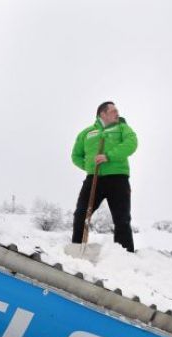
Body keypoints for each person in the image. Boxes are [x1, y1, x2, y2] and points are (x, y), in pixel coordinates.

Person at [71, 101, 137, 252]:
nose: (117, 113)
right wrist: (91, 167)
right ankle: (76, 250)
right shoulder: (86, 133)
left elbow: (132, 143)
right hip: (93, 178)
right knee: (81, 214)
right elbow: (76, 156)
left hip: (118, 178)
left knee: (122, 219)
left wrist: (108, 156)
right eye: (113, 111)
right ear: (103, 113)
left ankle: (125, 254)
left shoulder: (122, 128)